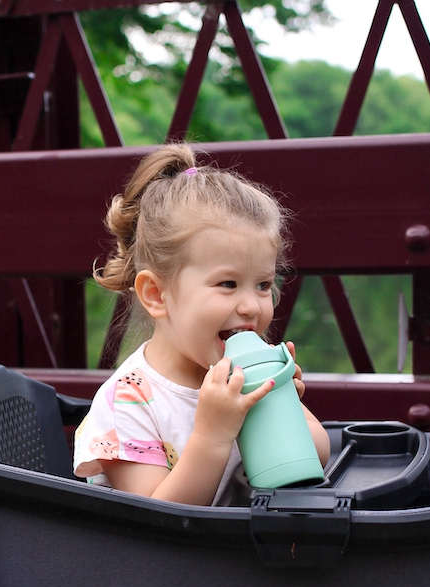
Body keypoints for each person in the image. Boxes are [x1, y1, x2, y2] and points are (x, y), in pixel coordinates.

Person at [74, 143, 330, 505]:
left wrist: (282, 405)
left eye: (263, 285)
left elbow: (317, 458)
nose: (252, 306)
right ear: (157, 295)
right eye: (228, 284)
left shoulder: (241, 375)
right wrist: (213, 435)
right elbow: (159, 519)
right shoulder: (128, 402)